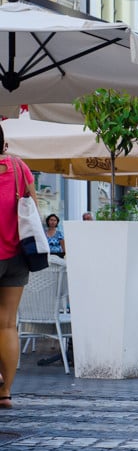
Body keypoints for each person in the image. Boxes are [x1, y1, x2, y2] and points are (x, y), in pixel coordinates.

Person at [0, 127, 39, 409]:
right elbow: (33, 209)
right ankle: (5, 393)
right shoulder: (19, 167)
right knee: (8, 324)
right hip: (17, 255)